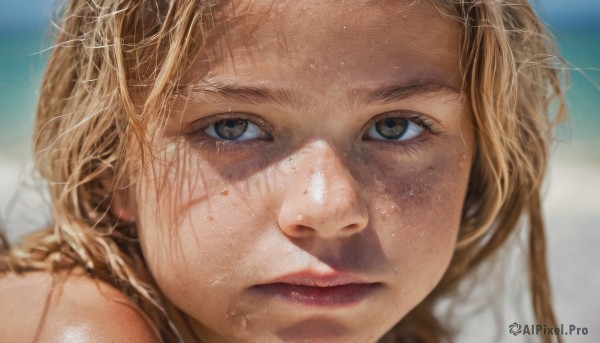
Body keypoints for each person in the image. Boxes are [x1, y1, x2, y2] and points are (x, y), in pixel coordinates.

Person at [0, 0, 567, 342]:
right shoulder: (72, 325)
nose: (327, 206)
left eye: (395, 126)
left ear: (482, 159)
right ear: (111, 168)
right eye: (233, 128)